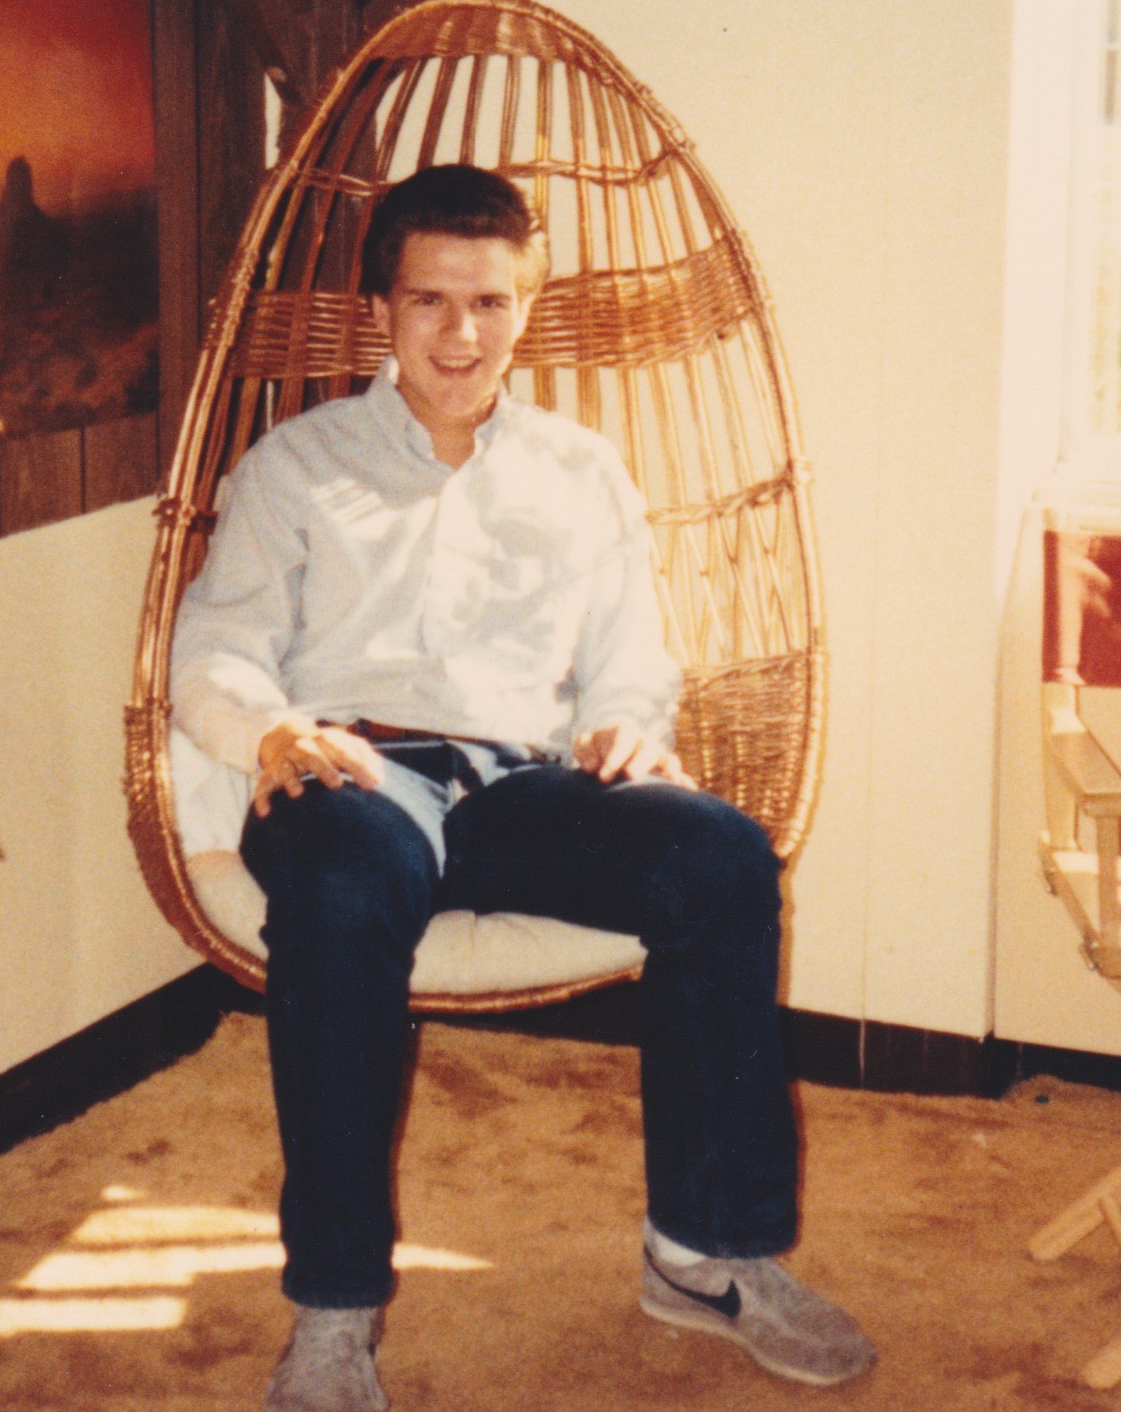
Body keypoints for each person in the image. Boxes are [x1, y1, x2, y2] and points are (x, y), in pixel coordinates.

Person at [171, 164, 875, 1412]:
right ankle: (335, 1309)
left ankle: (705, 1254)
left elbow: (628, 653)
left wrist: (627, 726)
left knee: (721, 859)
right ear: (383, 309)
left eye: (490, 302)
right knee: (339, 892)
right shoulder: (296, 461)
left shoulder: (578, 468)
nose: (461, 333)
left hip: (522, 783)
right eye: (431, 300)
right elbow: (214, 643)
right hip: (355, 770)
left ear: (525, 308)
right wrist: (270, 727)